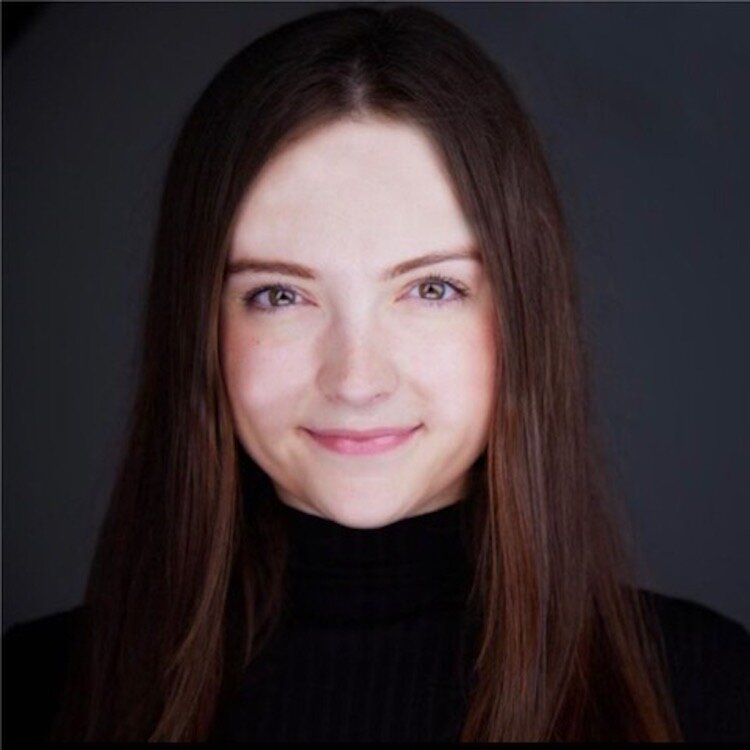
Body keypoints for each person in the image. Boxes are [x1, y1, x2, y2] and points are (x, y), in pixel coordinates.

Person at [3, 4, 749, 743]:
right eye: (280, 295)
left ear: (523, 313)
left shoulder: (704, 693)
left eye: (432, 289)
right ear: (198, 323)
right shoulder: (32, 693)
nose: (356, 380)